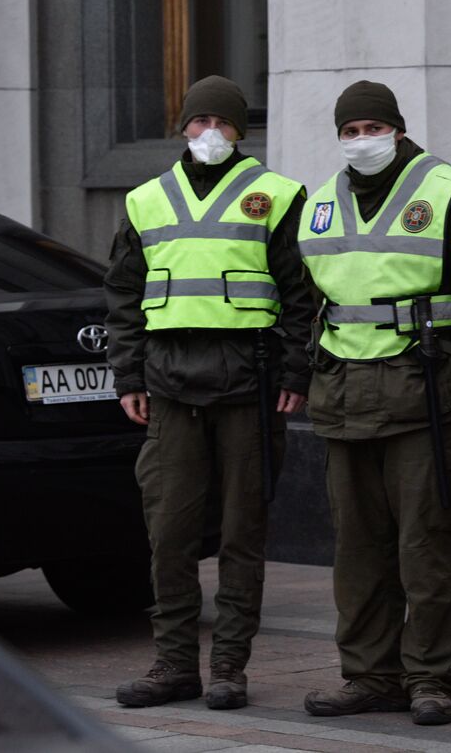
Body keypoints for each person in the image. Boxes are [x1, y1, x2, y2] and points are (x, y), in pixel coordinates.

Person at [105, 76, 315, 710]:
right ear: (183, 129)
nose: (211, 134)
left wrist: (294, 374)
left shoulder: (276, 196)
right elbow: (123, 296)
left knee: (242, 532)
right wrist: (129, 377)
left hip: (248, 389)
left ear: (241, 132)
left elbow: (301, 296)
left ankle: (228, 668)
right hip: (168, 389)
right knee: (169, 533)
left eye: (223, 124)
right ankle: (174, 665)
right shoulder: (145, 200)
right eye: (200, 123)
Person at [298, 81, 451, 726]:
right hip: (343, 397)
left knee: (425, 546)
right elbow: (310, 299)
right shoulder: (321, 203)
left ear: (398, 129)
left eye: (372, 128)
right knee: (357, 551)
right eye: (349, 131)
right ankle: (368, 676)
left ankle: (431, 679)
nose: (361, 141)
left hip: (421, 400)